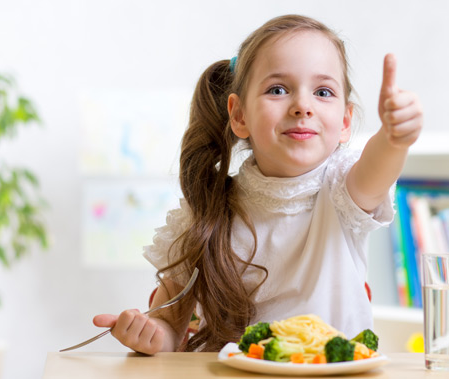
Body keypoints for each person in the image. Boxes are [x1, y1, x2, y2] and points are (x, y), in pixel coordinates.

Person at [93, 14, 422, 355]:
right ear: (239, 115)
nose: (302, 106)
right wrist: (149, 334)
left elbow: (376, 172)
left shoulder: (343, 190)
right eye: (278, 89)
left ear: (344, 122)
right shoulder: (207, 208)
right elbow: (169, 328)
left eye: (323, 92)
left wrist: (394, 138)